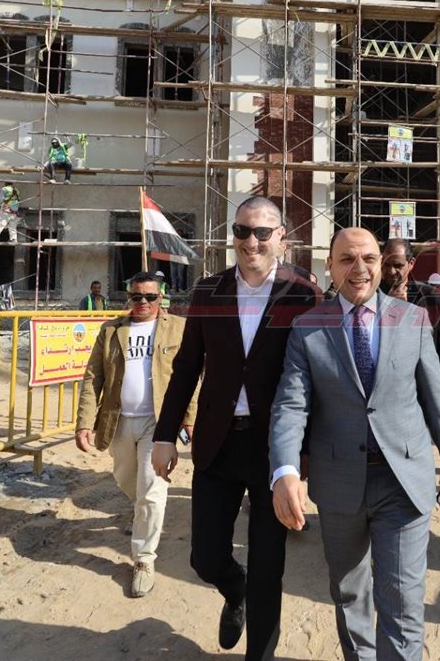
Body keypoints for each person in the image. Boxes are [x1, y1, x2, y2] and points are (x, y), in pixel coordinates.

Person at [270, 227, 440, 661]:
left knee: (403, 599)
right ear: (330, 266)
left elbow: (436, 395)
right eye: (346, 259)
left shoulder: (413, 319)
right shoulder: (308, 328)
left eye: (368, 258)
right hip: (340, 484)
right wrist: (285, 470)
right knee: (349, 594)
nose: (358, 268)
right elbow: (291, 404)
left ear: (381, 264)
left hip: (403, 480)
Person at [151, 196, 321, 660]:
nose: (251, 242)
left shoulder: (303, 294)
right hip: (217, 444)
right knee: (205, 557)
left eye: (263, 232)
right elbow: (186, 367)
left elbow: (317, 378)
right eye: (242, 231)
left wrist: (305, 455)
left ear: (281, 237)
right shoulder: (209, 291)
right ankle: (235, 588)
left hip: (274, 450)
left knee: (269, 568)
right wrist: (165, 434)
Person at [76, 273, 195, 597]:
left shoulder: (178, 328)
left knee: (152, 490)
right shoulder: (111, 330)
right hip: (118, 421)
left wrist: (189, 418)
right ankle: (141, 511)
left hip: (159, 423)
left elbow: (192, 375)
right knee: (126, 478)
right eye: (136, 296)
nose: (143, 302)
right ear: (128, 298)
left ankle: (144, 559)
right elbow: (92, 377)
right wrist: (84, 421)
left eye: (150, 297)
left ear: (161, 298)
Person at [379, 237, 440, 388]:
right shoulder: (370, 297)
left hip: (423, 385)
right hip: (384, 386)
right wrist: (389, 306)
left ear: (411, 264)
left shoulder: (431, 297)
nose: (391, 271)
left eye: (398, 265)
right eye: (386, 264)